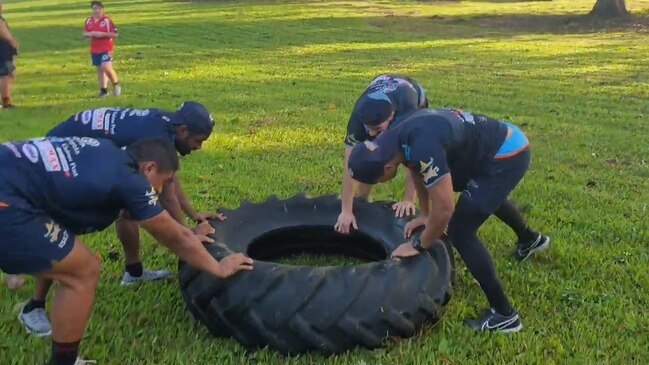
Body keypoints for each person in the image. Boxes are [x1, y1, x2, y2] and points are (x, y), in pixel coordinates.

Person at [0, 137, 253, 365]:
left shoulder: (104, 149)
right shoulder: (131, 181)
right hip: (8, 199)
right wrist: (218, 267)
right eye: (163, 182)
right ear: (149, 168)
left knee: (68, 253)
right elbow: (174, 237)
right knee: (83, 270)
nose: (162, 191)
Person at [18, 102, 220, 337]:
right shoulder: (157, 138)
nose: (199, 147)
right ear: (183, 130)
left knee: (129, 205)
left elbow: (168, 180)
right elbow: (167, 195)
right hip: (62, 153)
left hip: (86, 147)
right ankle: (34, 306)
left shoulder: (168, 125)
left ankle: (133, 273)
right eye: (198, 140)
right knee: (61, 225)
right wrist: (187, 233)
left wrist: (193, 214)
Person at [348, 108, 550, 333]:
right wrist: (425, 215)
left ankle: (504, 315)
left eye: (377, 181)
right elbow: (416, 170)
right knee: (484, 196)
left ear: (386, 168)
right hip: (490, 144)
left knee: (460, 231)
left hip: (507, 153)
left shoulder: (422, 144)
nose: (379, 184)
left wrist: (420, 244)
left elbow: (445, 208)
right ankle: (530, 240)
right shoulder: (391, 138)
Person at [335, 74, 429, 234]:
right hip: (382, 83)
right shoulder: (357, 121)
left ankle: (407, 198)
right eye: (368, 128)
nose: (371, 134)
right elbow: (350, 167)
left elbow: (414, 162)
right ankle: (363, 200)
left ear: (392, 117)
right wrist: (346, 210)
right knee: (366, 157)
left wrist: (408, 201)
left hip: (410, 92)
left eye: (377, 129)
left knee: (408, 152)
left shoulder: (407, 114)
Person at [84, 1, 120, 98]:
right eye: (95, 8)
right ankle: (104, 91)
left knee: (106, 67)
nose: (97, 10)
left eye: (99, 8)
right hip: (95, 49)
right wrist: (90, 34)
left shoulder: (107, 21)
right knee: (100, 69)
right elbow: (85, 33)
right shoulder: (89, 21)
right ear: (92, 10)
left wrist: (102, 34)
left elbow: (115, 34)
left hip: (106, 48)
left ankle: (116, 84)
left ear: (102, 9)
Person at [0, 0, 18, 109]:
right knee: (6, 74)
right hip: (2, 50)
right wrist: (13, 42)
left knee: (9, 74)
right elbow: (5, 35)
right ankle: (6, 102)